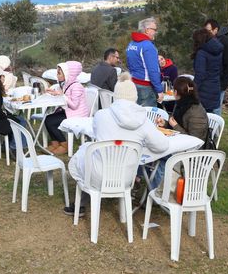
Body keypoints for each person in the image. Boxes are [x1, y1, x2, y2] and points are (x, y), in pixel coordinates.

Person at [64, 72, 169, 216]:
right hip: (127, 177)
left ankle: (80, 204)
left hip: (98, 175)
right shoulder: (143, 120)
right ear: (135, 96)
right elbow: (162, 146)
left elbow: (96, 134)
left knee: (85, 153)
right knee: (88, 152)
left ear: (115, 95)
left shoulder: (101, 116)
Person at [44, 61, 90, 155]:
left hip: (78, 114)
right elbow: (65, 97)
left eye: (59, 73)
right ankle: (55, 143)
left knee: (51, 122)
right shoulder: (67, 84)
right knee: (48, 119)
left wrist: (61, 95)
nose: (57, 75)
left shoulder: (76, 86)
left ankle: (64, 145)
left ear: (67, 74)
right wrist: (55, 93)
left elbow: (74, 105)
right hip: (70, 111)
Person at [126, 18, 163, 107]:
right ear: (147, 30)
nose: (156, 32)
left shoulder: (131, 44)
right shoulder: (148, 46)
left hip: (134, 83)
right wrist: (159, 90)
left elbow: (129, 64)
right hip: (146, 86)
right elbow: (153, 70)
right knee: (149, 116)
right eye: (154, 29)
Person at [204, 19, 228, 115]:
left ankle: (217, 130)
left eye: (208, 31)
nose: (206, 33)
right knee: (205, 111)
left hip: (218, 84)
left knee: (215, 111)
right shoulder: (207, 42)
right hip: (207, 84)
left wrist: (223, 85)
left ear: (216, 30)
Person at [161, 76, 209, 143]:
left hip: (192, 150)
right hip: (177, 141)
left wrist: (175, 126)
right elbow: (175, 123)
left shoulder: (196, 113)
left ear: (175, 92)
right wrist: (165, 123)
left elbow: (195, 141)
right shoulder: (180, 103)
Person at [192, 29, 223, 113]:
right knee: (210, 117)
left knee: (200, 117)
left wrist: (192, 89)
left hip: (203, 91)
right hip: (215, 87)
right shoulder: (218, 51)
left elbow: (200, 75)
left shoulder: (201, 53)